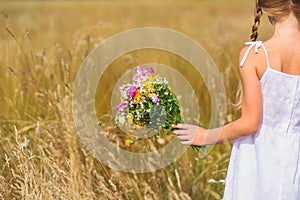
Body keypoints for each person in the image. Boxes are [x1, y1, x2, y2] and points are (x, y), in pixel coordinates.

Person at [172, 0, 300, 199]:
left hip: (259, 160)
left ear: (265, 8)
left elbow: (250, 124)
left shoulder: (255, 56)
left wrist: (205, 136)